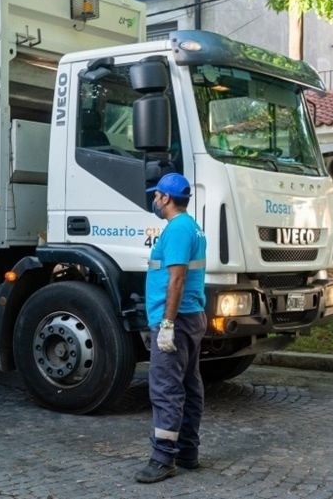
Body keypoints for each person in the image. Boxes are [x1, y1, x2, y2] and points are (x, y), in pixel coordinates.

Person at [135, 173, 207, 484]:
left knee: (166, 388)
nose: (154, 200)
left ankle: (163, 458)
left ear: (165, 198)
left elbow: (176, 279)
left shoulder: (177, 229)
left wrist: (166, 324)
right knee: (189, 385)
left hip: (175, 321)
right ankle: (187, 451)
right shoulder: (191, 227)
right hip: (191, 317)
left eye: (157, 195)